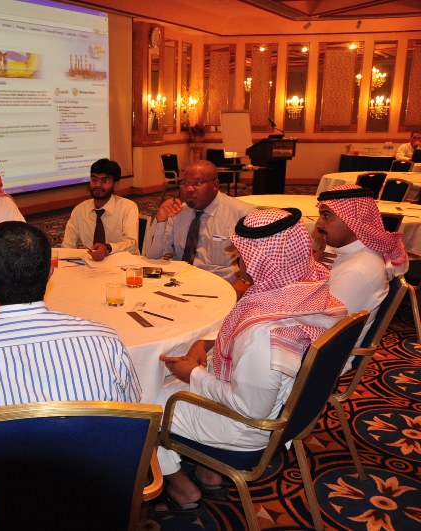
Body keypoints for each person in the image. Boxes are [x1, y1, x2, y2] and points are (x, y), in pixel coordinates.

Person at [153, 208, 346, 514]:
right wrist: (208, 343)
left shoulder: (265, 332)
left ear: (263, 260)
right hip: (280, 406)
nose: (239, 262)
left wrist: (194, 374)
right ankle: (209, 471)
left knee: (142, 399)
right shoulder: (310, 289)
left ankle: (180, 486)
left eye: (243, 254)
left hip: (246, 427)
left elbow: (249, 409)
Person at [0, 221, 141, 469]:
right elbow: (130, 424)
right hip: (99, 483)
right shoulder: (106, 341)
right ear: (50, 273)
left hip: (6, 490)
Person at [314, 184, 408, 347]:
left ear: (354, 220)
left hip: (321, 354)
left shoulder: (357, 271)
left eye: (327, 215)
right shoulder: (349, 252)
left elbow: (319, 328)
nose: (318, 224)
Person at [145, 160, 254, 296]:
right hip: (179, 283)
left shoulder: (242, 214)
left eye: (197, 183)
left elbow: (262, 259)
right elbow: (153, 257)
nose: (189, 189)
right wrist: (161, 220)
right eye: (185, 183)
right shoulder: (177, 212)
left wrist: (245, 280)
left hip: (220, 287)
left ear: (215, 185)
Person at [62, 158, 139, 260]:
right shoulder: (80, 210)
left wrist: (108, 248)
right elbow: (67, 246)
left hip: (121, 263)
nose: (98, 185)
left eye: (105, 181)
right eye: (94, 179)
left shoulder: (128, 208)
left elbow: (132, 245)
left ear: (115, 184)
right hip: (89, 264)